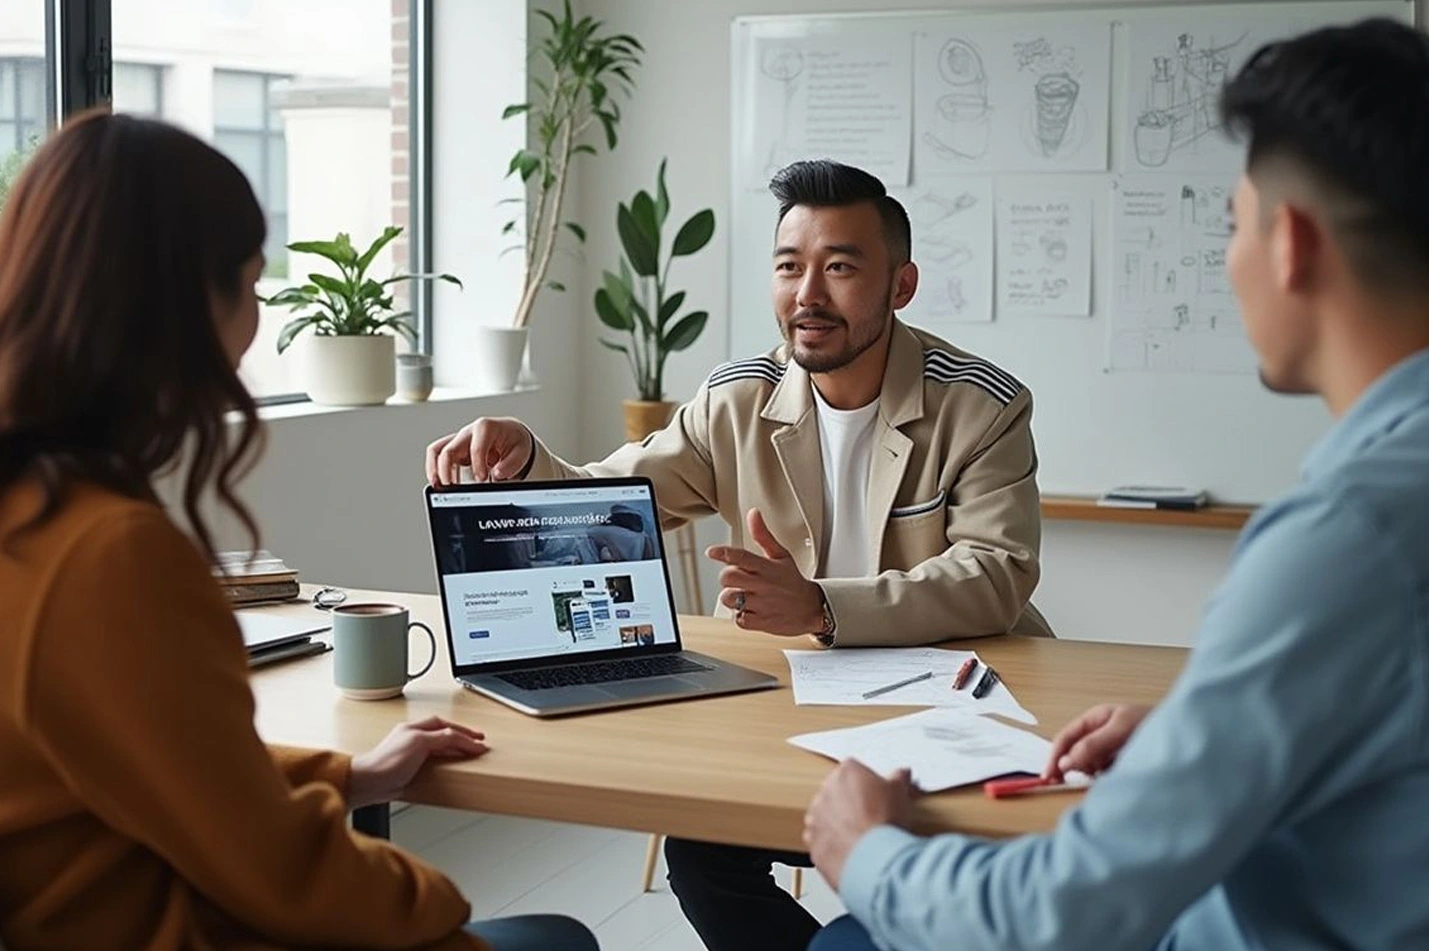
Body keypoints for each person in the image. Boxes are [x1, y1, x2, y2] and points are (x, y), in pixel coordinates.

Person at [803, 19, 1429, 951]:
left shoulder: (1345, 534)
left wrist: (865, 851)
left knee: (850, 937)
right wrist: (1199, 734)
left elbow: (1056, 917)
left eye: (1230, 226)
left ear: (1289, 243)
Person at [0, 112, 597, 951]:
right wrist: (438, 898)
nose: (249, 335)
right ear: (174, 306)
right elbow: (282, 870)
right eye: (246, 287)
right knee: (555, 938)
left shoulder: (30, 515)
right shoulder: (108, 556)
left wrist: (347, 772)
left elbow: (168, 763)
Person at [426, 159, 1052, 951]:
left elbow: (995, 572)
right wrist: (527, 463)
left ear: (900, 285)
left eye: (840, 267)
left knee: (941, 865)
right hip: (786, 701)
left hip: (953, 703)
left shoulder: (982, 403)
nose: (807, 294)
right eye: (789, 266)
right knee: (702, 852)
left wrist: (822, 605)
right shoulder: (736, 397)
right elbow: (615, 499)